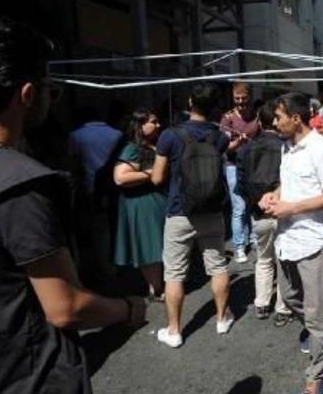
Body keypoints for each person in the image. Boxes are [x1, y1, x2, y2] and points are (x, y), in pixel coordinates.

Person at [0, 17, 145, 393]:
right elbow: (65, 307)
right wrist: (128, 309)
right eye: (49, 89)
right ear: (27, 94)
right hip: (17, 375)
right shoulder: (19, 184)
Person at [259, 93, 323, 394]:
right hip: (286, 240)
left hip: (313, 242)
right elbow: (289, 184)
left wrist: (291, 208)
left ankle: (318, 374)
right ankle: (321, 325)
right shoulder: (288, 147)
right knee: (290, 297)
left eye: (279, 117)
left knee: (315, 314)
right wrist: (275, 196)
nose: (274, 122)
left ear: (295, 118)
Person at [151, 83, 234, 348]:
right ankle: (222, 319)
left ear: (189, 102)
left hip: (179, 211)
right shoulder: (219, 136)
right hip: (211, 210)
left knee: (174, 273)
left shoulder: (170, 135)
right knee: (218, 266)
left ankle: (174, 330)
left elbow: (156, 178)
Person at [237, 103, 294, 326]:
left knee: (263, 259)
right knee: (284, 261)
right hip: (283, 209)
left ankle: (261, 302)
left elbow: (240, 185)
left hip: (258, 212)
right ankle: (282, 307)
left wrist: (255, 203)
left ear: (260, 122)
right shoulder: (287, 147)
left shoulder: (246, 149)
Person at [113, 108, 166, 301]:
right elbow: (120, 178)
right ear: (140, 125)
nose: (158, 125)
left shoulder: (150, 145)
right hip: (141, 204)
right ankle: (156, 288)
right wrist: (152, 172)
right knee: (148, 247)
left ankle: (158, 285)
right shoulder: (132, 148)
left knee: (156, 245)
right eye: (154, 121)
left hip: (152, 202)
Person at [68, 105, 123, 284]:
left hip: (91, 188)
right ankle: (121, 261)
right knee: (115, 225)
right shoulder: (116, 133)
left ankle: (106, 267)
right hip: (116, 186)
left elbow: (73, 162)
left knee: (99, 229)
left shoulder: (76, 135)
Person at [222, 83, 260, 264]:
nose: (240, 102)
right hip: (233, 165)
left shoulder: (257, 116)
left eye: (243, 98)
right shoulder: (228, 118)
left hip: (253, 166)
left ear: (249, 97)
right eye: (237, 98)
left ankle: (254, 240)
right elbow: (225, 148)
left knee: (252, 204)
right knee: (239, 207)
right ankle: (238, 246)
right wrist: (239, 143)